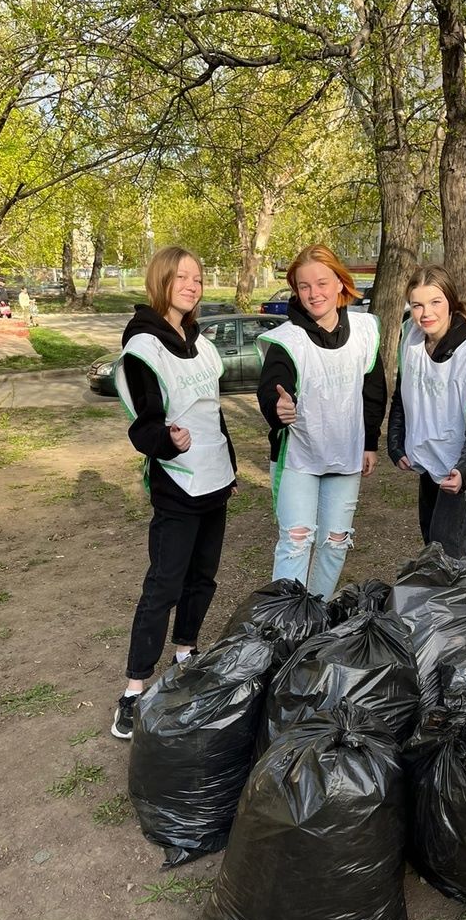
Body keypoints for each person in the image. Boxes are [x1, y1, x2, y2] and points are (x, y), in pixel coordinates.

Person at [111, 246, 238, 740]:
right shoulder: (144, 345)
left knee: (203, 577)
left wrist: (229, 466)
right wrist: (168, 440)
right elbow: (142, 427)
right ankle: (134, 690)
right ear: (161, 280)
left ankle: (186, 651)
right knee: (164, 584)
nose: (192, 285)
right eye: (182, 277)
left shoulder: (200, 342)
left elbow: (213, 413)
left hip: (214, 479)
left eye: (198, 278)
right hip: (177, 484)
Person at [256, 244, 386, 599]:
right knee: (297, 539)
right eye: (304, 286)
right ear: (296, 290)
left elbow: (373, 391)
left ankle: (316, 613)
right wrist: (278, 409)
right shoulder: (287, 340)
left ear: (340, 283)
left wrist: (370, 442)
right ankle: (285, 623)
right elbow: (272, 389)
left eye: (322, 283)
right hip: (299, 455)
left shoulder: (364, 330)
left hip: (345, 453)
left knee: (336, 541)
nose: (314, 294)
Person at [387, 264, 466, 559]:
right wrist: (395, 444)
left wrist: (464, 469)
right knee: (432, 537)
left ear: (450, 302)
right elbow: (402, 396)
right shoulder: (412, 339)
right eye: (417, 304)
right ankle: (448, 600)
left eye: (435, 302)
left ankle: (464, 604)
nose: (425, 313)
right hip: (432, 450)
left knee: (447, 540)